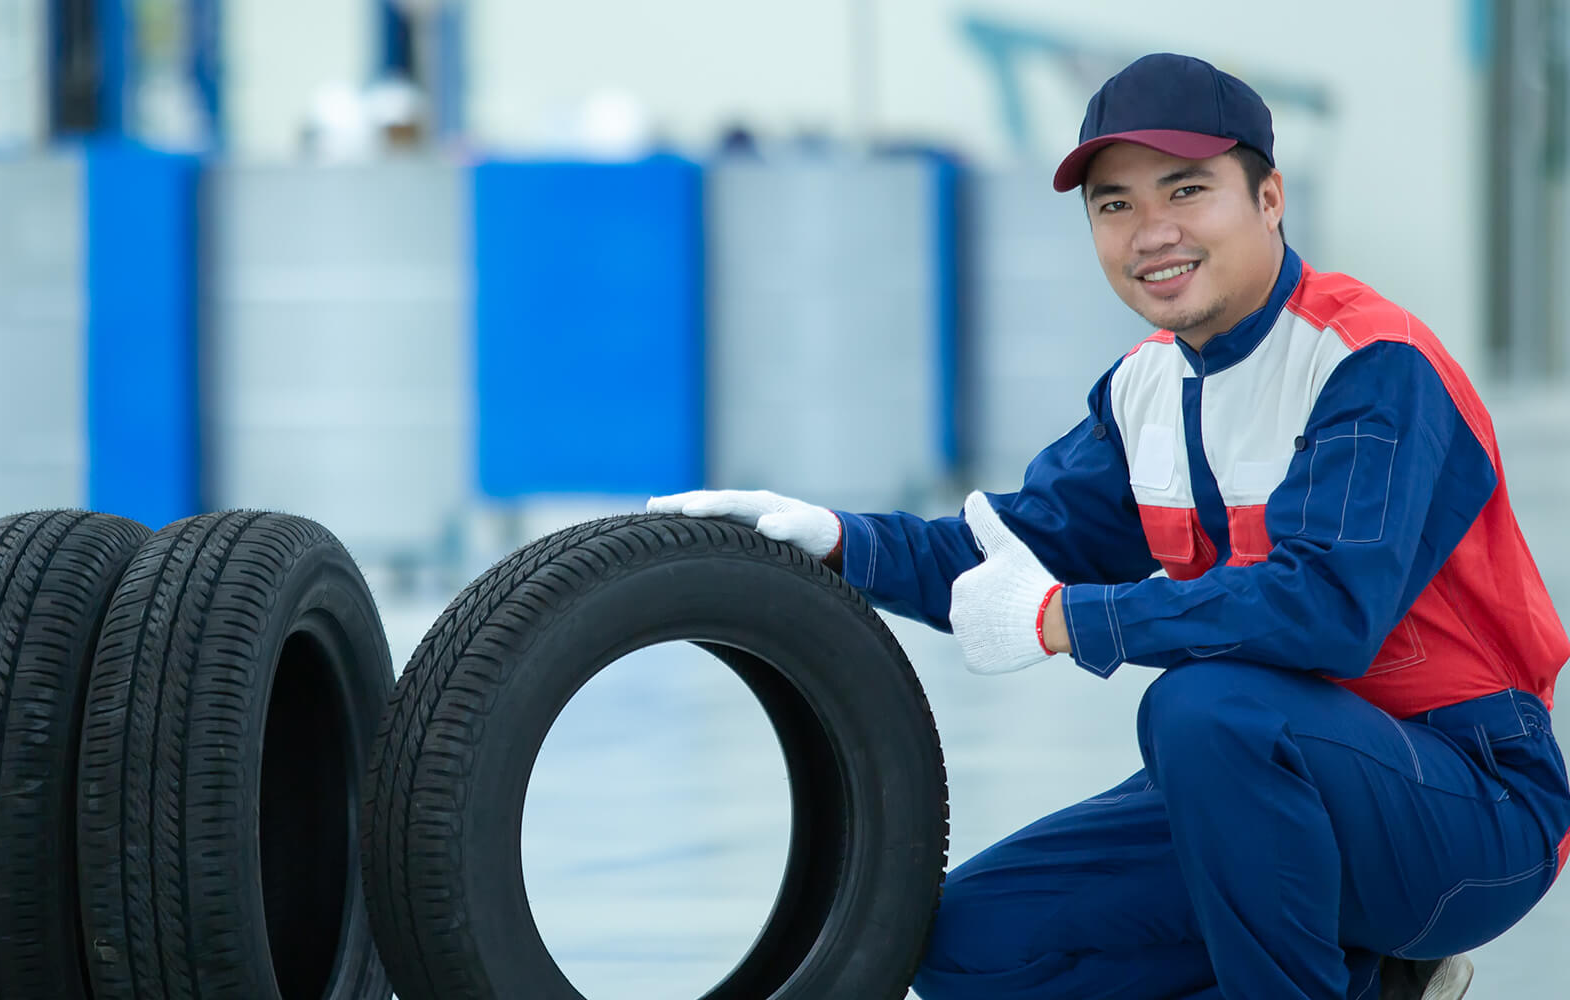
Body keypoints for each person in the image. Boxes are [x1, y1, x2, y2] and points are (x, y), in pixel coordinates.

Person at [649, 52, 1570, 1000]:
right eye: (1114, 204)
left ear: (1269, 198)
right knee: (970, 946)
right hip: (1258, 787)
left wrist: (1068, 620)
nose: (1151, 231)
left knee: (1205, 708)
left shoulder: (1370, 364)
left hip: (1468, 802)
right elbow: (999, 554)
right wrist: (836, 541)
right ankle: (1380, 986)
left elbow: (1325, 607)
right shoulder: (1147, 389)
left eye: (1187, 189)